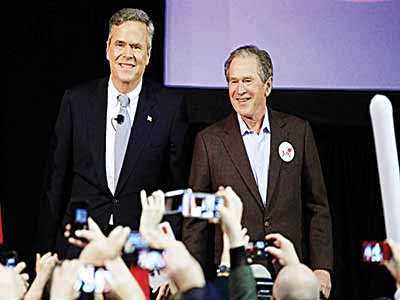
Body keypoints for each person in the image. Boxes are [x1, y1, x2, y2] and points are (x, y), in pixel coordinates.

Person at [182, 45, 333, 298]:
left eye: (247, 81)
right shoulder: (210, 142)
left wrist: (322, 268)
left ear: (268, 85)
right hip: (237, 279)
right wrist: (191, 281)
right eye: (233, 81)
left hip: (292, 277)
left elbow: (317, 206)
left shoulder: (297, 132)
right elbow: (196, 221)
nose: (239, 90)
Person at [37, 8, 188, 259]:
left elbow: (175, 191)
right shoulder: (77, 101)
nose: (127, 54)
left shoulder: (170, 108)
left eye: (137, 47)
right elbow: (55, 182)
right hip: (78, 245)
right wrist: (45, 251)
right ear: (108, 48)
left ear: (148, 55)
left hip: (138, 251)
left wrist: (168, 258)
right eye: (120, 44)